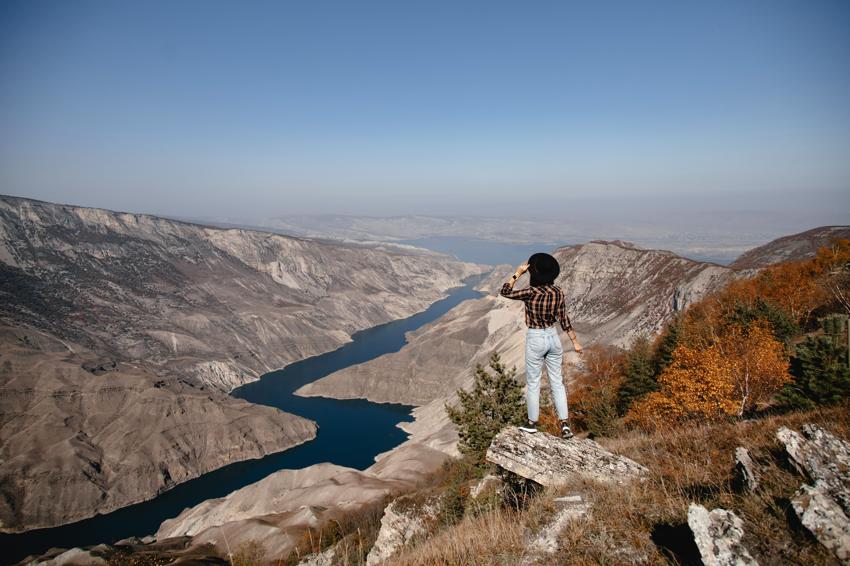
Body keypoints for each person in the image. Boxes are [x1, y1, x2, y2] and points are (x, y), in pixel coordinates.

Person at [499, 252, 582, 439]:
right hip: (553, 337)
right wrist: (574, 341)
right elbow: (564, 318)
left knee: (534, 383)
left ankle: (531, 423)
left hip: (536, 337)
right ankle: (565, 425)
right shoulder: (558, 292)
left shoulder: (530, 293)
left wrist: (517, 274)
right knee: (557, 383)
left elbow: (505, 292)